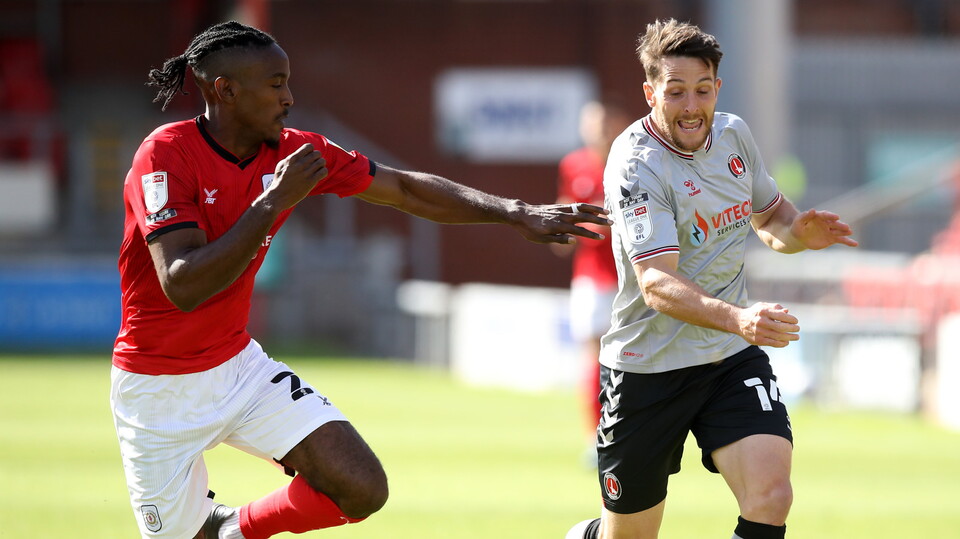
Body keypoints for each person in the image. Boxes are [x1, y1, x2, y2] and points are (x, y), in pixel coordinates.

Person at [112, 21, 610, 539]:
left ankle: (229, 531)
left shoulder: (294, 153)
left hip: (237, 368)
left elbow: (404, 189)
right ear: (226, 91)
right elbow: (183, 284)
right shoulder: (165, 154)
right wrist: (273, 202)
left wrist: (514, 211)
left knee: (360, 486)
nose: (289, 98)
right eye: (276, 84)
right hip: (156, 388)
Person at [566, 19, 858, 539]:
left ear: (717, 89)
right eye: (675, 92)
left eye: (702, 90)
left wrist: (798, 232)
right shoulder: (635, 164)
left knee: (771, 496)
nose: (691, 106)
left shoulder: (733, 135)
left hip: (727, 357)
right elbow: (656, 283)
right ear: (650, 94)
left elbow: (771, 218)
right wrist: (741, 318)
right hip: (648, 367)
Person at [554, 99, 633, 463]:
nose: (597, 132)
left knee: (629, 359)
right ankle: (594, 437)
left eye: (603, 125)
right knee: (593, 359)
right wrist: (565, 233)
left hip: (632, 277)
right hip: (591, 278)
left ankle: (628, 432)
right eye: (591, 125)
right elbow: (564, 215)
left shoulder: (631, 162)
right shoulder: (573, 165)